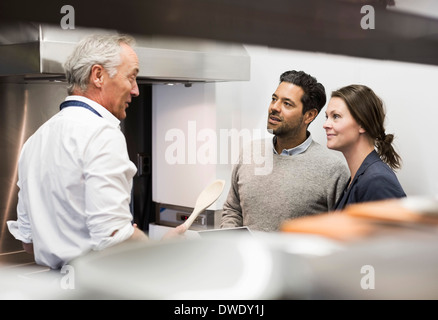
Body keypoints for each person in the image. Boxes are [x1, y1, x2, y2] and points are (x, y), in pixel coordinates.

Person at [7, 34, 184, 270]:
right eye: (131, 77)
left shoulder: (35, 140)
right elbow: (113, 239)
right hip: (97, 287)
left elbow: (27, 242)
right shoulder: (102, 134)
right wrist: (160, 250)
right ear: (98, 75)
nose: (135, 90)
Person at [220, 70, 350, 232]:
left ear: (309, 116)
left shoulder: (333, 170)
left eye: (287, 104)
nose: (274, 107)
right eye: (274, 99)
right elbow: (233, 210)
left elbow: (340, 232)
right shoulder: (250, 152)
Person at [323, 84, 406, 210]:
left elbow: (394, 230)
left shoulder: (377, 180)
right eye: (327, 117)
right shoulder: (358, 178)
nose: (326, 124)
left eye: (336, 116)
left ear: (362, 124)